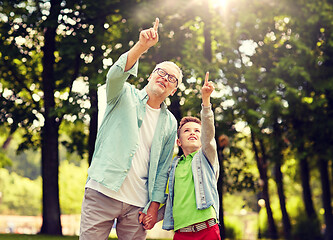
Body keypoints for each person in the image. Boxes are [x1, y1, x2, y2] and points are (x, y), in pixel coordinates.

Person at [79, 17, 183, 240]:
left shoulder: (170, 123)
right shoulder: (122, 94)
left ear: (173, 91)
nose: (165, 78)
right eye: (161, 72)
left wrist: (154, 205)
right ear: (151, 75)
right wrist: (142, 46)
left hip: (137, 205)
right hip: (102, 192)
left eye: (172, 79)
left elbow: (163, 167)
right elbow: (115, 74)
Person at [143, 72, 221, 239]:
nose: (192, 133)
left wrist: (206, 101)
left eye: (197, 131)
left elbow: (208, 136)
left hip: (207, 229)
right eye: (187, 131)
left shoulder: (206, 158)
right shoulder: (174, 167)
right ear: (178, 141)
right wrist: (154, 217)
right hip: (181, 233)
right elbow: (173, 200)